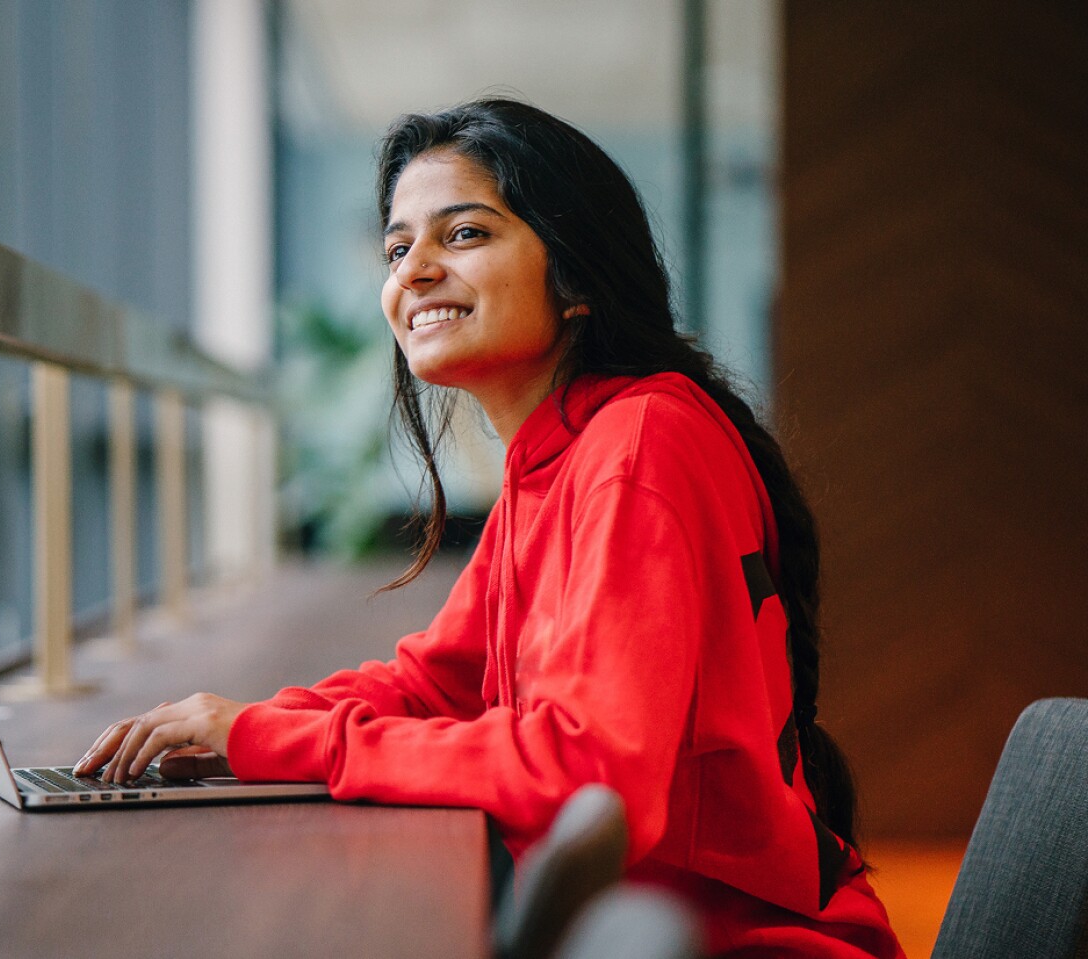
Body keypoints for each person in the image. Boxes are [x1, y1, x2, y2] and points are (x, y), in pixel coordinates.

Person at [76, 98, 903, 957]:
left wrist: (269, 738)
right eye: (398, 248)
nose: (415, 270)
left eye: (463, 234)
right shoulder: (560, 455)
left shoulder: (638, 443)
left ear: (576, 280)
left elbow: (595, 774)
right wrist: (238, 730)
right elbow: (438, 682)